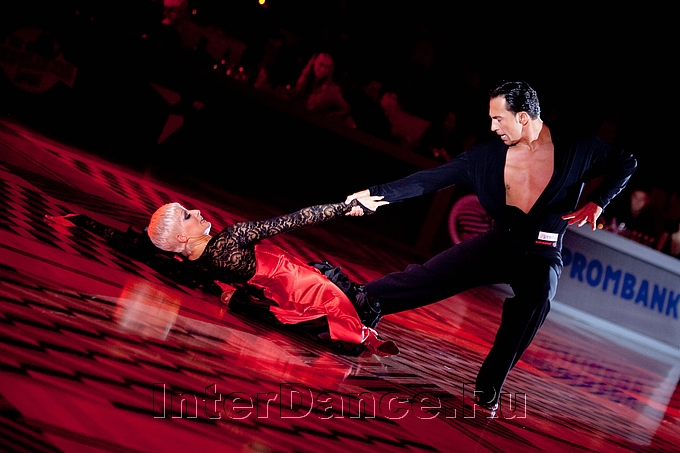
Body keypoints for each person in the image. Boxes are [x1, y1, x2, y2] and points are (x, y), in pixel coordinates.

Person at [345, 80, 637, 412]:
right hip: (499, 243)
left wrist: (598, 202)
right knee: (428, 277)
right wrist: (376, 196)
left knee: (538, 297)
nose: (493, 127)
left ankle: (490, 386)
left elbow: (626, 162)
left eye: (499, 119)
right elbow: (429, 180)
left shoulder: (577, 147)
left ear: (523, 117)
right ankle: (360, 301)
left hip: (542, 253)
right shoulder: (486, 157)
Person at [45, 195, 397, 356]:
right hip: (307, 287)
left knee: (339, 313)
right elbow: (296, 219)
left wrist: (80, 221)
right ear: (182, 238)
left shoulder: (187, 262)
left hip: (279, 297)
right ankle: (363, 334)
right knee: (347, 307)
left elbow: (134, 246)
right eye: (188, 216)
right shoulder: (232, 239)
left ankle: (361, 334)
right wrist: (345, 207)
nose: (197, 211)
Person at [288, 52, 356, 128]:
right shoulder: (302, 78)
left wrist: (331, 116)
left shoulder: (332, 89)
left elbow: (346, 108)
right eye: (321, 65)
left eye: (327, 67)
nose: (323, 70)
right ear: (314, 63)